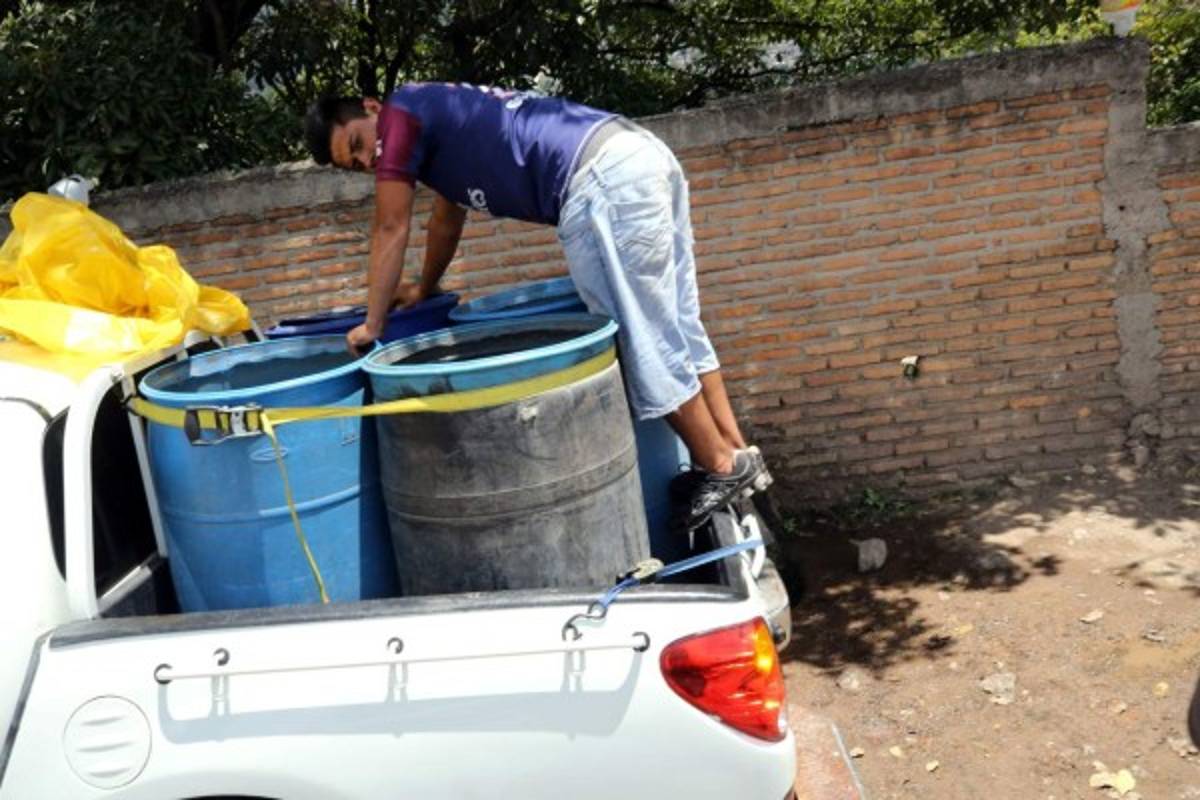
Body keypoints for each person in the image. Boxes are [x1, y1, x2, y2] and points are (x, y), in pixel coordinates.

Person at [303, 83, 770, 530]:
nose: (370, 159)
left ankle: (721, 465)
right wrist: (425, 288)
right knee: (677, 326)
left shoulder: (401, 111)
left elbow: (391, 227)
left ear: (371, 108)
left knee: (642, 337)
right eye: (358, 163)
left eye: (361, 143)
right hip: (635, 155)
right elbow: (444, 221)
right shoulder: (435, 118)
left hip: (599, 182)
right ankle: (736, 453)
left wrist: (373, 322)